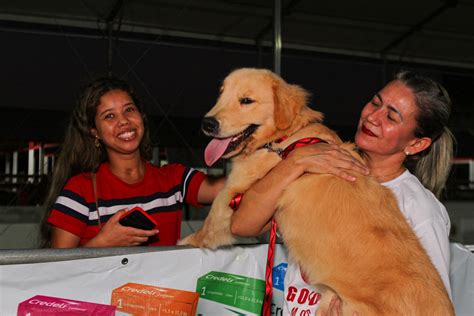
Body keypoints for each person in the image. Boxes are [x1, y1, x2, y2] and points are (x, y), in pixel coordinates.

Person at [230, 70, 454, 315]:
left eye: (391, 117)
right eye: (375, 103)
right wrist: (294, 164)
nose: (372, 117)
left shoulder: (420, 209)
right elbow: (243, 225)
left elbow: (432, 307)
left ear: (416, 144)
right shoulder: (324, 162)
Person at [42, 76, 224, 248]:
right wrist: (103, 243)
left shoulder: (174, 179)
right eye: (109, 116)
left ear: (141, 116)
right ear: (94, 132)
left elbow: (231, 190)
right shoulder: (79, 191)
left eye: (129, 110)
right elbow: (57, 269)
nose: (124, 121)